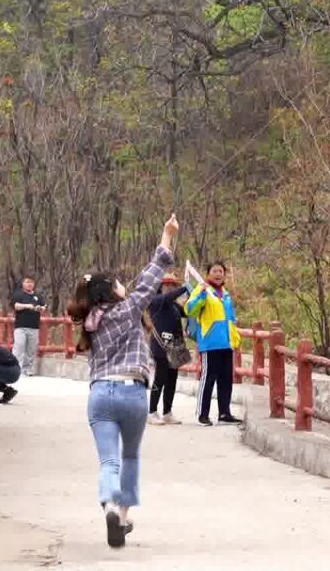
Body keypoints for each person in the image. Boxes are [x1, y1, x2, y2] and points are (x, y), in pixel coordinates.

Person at [67, 213, 179, 549]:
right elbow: (152, 273)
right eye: (117, 283)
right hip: (132, 393)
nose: (123, 284)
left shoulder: (89, 323)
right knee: (130, 457)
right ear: (110, 292)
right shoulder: (129, 309)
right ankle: (124, 515)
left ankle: (109, 504)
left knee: (109, 461)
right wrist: (166, 234)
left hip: (100, 393)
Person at [185, 261, 242, 426]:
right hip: (210, 343)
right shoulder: (203, 290)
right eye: (215, 271)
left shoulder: (225, 294)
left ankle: (224, 413)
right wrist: (202, 294)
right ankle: (202, 415)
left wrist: (235, 338)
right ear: (208, 274)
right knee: (208, 379)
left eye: (221, 271)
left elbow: (231, 319)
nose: (218, 274)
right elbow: (190, 310)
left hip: (226, 344)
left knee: (226, 379)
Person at [146, 273, 188, 425]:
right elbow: (168, 297)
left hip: (174, 345)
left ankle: (167, 412)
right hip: (160, 344)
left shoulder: (174, 305)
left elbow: (187, 312)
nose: (170, 287)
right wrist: (184, 288)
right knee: (161, 377)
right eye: (166, 284)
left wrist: (195, 297)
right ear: (160, 286)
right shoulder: (156, 300)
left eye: (172, 285)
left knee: (172, 379)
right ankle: (151, 411)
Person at [10, 277, 46, 376]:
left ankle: (27, 369)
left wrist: (40, 308)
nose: (30, 284)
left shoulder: (37, 296)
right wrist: (27, 306)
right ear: (23, 283)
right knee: (19, 346)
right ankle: (15, 368)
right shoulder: (18, 294)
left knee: (31, 349)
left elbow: (44, 306)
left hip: (34, 326)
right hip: (20, 326)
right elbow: (15, 306)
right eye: (27, 282)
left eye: (32, 282)